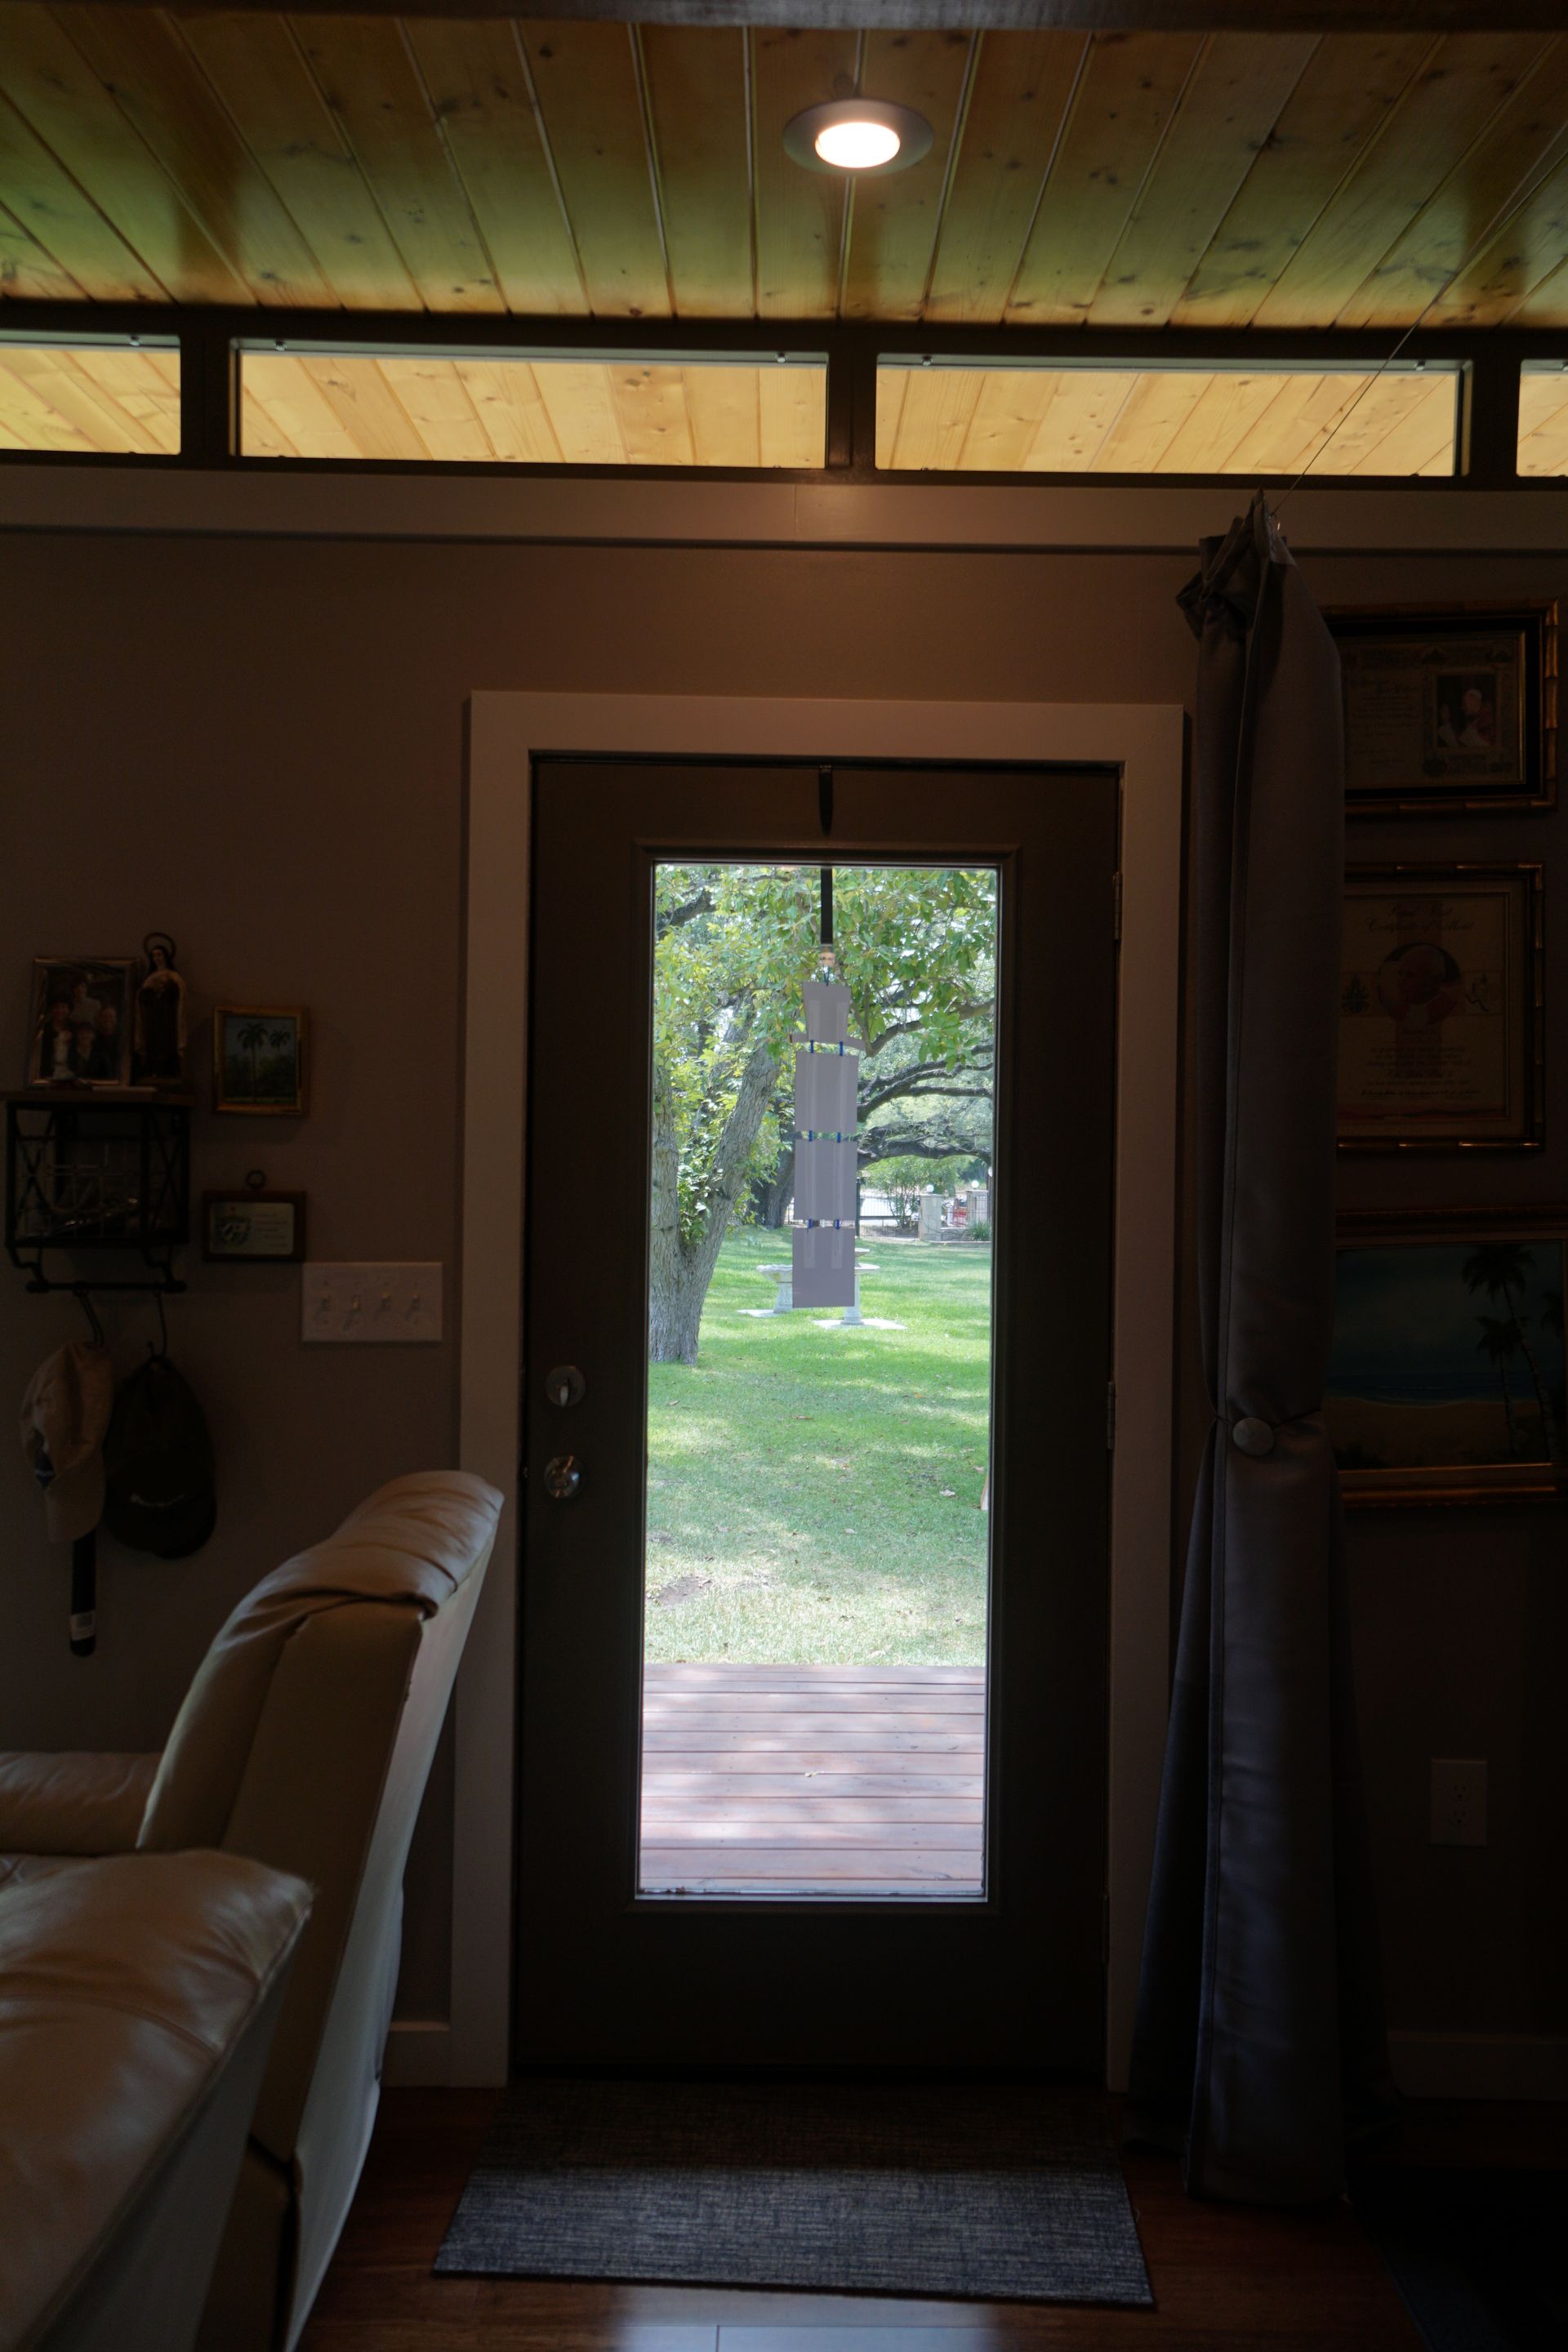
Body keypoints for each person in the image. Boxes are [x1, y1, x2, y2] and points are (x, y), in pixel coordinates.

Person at [134, 933, 186, 1085]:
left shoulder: (173, 976)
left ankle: (169, 1070)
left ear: (166, 956)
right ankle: (153, 1070)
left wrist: (166, 987)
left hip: (168, 1017)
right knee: (153, 1043)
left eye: (159, 955)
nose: (157, 958)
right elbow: (142, 998)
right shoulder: (150, 977)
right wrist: (148, 990)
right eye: (154, 955)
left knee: (167, 1043)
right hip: (153, 1017)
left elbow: (178, 995)